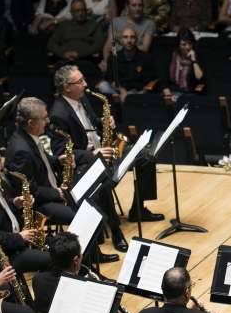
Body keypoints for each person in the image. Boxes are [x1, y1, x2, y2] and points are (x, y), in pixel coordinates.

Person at [50, 64, 162, 230]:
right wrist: (94, 153)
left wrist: (104, 123)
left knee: (146, 156)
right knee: (104, 179)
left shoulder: (82, 98)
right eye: (80, 81)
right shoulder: (58, 114)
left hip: (105, 151)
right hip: (86, 163)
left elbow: (92, 123)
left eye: (83, 79)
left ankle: (138, 210)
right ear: (66, 87)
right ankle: (108, 224)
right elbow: (61, 152)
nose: (86, 84)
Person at [5, 98, 75, 225]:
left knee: (88, 202)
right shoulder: (21, 152)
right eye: (44, 118)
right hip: (39, 205)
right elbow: (30, 190)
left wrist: (58, 160)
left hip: (50, 191)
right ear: (31, 123)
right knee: (79, 215)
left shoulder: (28, 136)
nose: (47, 121)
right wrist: (57, 193)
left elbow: (42, 160)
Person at [0, 142, 50, 272]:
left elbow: (1, 207)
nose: (2, 164)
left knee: (60, 246)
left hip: (17, 241)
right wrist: (20, 237)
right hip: (9, 254)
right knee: (55, 258)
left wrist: (15, 202)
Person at [47, 0, 106, 84]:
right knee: (58, 72)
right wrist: (63, 53)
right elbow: (51, 43)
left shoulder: (93, 25)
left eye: (82, 10)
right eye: (77, 11)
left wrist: (79, 54)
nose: (80, 13)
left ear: (86, 11)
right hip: (65, 61)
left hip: (86, 60)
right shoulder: (64, 26)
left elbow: (99, 44)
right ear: (71, 12)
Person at [101, 0, 157, 68]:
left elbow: (144, 49)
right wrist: (105, 61)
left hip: (136, 62)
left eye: (140, 5)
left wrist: (120, 38)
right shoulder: (115, 22)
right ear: (127, 7)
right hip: (116, 61)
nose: (137, 8)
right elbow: (107, 47)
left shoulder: (149, 24)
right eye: (134, 5)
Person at [104, 28, 157, 100]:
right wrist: (122, 90)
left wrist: (144, 92)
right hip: (118, 90)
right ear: (121, 40)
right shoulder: (113, 58)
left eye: (132, 37)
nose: (129, 41)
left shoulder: (146, 57)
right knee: (103, 85)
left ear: (136, 40)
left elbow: (151, 80)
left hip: (139, 92)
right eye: (125, 37)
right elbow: (110, 79)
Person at [163, 29, 205, 95]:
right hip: (172, 89)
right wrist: (166, 89)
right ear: (178, 45)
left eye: (190, 44)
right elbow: (163, 75)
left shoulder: (198, 56)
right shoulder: (172, 54)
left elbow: (200, 78)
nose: (188, 47)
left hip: (188, 91)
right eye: (184, 44)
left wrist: (194, 60)